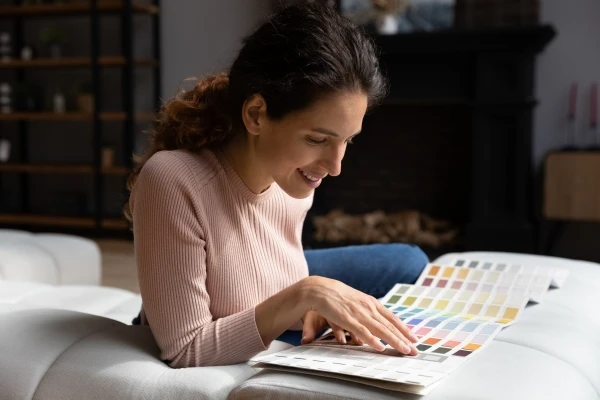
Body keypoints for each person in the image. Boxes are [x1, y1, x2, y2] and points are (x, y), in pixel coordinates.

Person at [125, 3, 428, 368]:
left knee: (409, 262)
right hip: (212, 329)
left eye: (348, 141)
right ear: (256, 115)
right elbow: (185, 350)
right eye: (318, 139)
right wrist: (305, 295)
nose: (335, 167)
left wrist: (309, 305)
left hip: (268, 302)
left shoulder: (292, 179)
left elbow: (272, 267)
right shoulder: (173, 181)